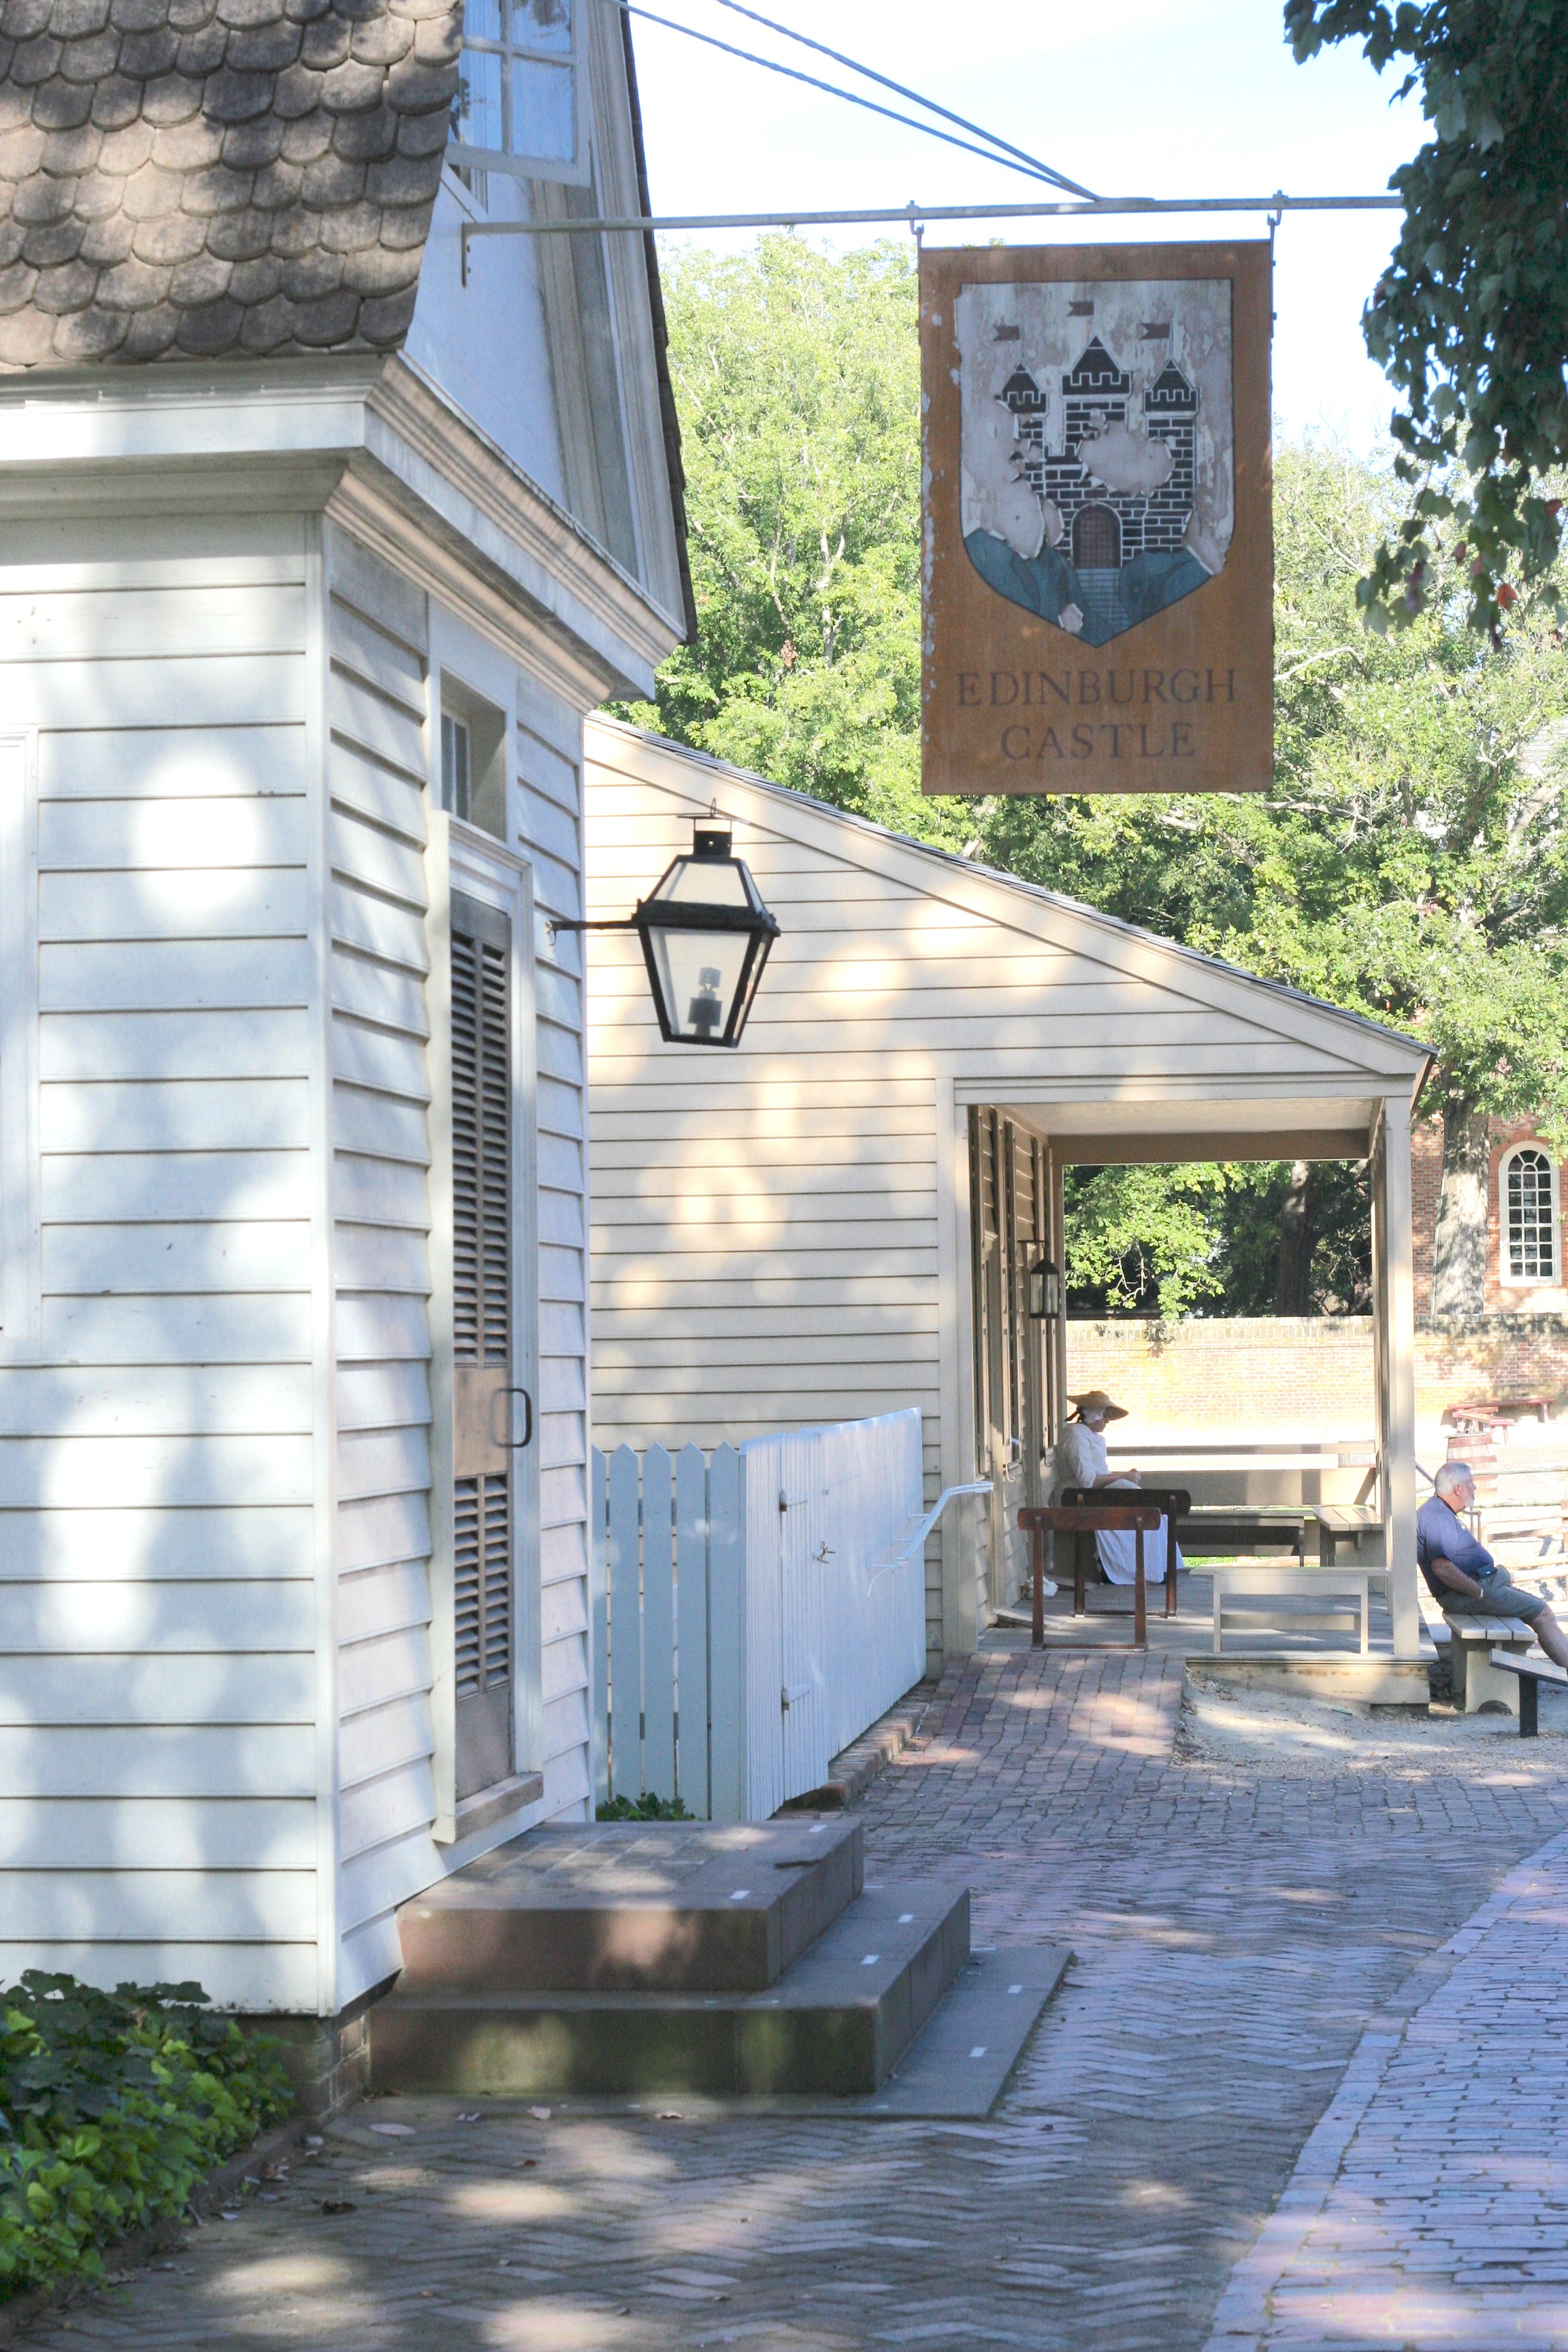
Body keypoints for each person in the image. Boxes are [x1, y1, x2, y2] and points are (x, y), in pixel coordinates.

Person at [1417, 1460, 1568, 1670]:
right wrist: (1478, 1591)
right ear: (1458, 1489)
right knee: (1543, 1614)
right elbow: (1441, 1568)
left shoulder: (1438, 1510)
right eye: (1471, 1483)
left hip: (1478, 1585)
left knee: (1507, 1578)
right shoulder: (1436, 1518)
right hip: (1466, 1595)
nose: (1475, 1487)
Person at [1053, 1389, 1185, 1588]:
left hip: (1097, 1497)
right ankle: (1133, 1570)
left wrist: (1124, 1479)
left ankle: (1157, 1567)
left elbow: (1099, 1475)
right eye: (1105, 1416)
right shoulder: (1076, 1437)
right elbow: (1087, 1481)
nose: (1107, 1421)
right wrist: (1123, 1477)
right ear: (1093, 1414)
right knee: (1146, 1515)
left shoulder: (1090, 1436)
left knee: (1157, 1515)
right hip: (1081, 1498)